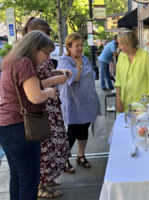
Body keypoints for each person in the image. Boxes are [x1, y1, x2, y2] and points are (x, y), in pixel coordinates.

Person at [0, 30, 56, 200]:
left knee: (18, 175)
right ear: (34, 48)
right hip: (20, 127)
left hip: (6, 126)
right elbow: (35, 96)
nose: (47, 58)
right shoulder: (25, 63)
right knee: (30, 178)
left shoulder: (11, 61)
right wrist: (49, 92)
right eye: (45, 53)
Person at [22, 17, 72, 198]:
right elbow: (33, 85)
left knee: (53, 144)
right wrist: (55, 79)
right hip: (41, 108)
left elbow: (45, 74)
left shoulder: (40, 53)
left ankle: (48, 178)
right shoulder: (26, 57)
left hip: (50, 104)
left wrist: (59, 73)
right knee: (45, 147)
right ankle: (41, 185)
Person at [57, 33, 101, 170]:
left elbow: (91, 76)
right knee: (73, 130)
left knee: (84, 128)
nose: (80, 48)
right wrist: (79, 67)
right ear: (69, 47)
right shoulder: (64, 61)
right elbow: (74, 79)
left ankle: (81, 155)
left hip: (87, 100)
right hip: (73, 102)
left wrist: (80, 67)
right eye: (77, 46)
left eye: (81, 45)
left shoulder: (85, 59)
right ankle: (64, 159)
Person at [115, 31, 149, 113]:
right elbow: (118, 80)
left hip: (141, 102)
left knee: (141, 125)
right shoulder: (121, 56)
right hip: (125, 102)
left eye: (121, 44)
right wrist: (118, 100)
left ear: (129, 44)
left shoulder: (145, 56)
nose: (119, 47)